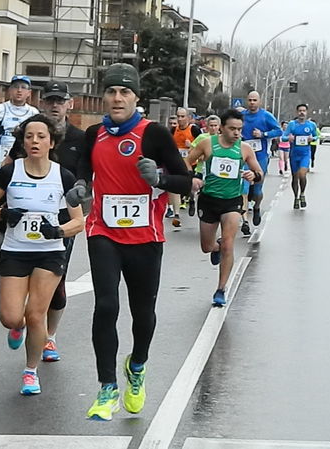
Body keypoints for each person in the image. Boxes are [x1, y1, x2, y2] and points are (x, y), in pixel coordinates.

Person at [65, 63, 192, 421]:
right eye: (111, 92)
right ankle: (107, 388)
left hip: (145, 236)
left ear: (136, 97)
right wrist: (81, 186)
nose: (117, 98)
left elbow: (186, 180)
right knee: (105, 306)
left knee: (142, 313)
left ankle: (137, 366)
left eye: (125, 92)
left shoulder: (154, 134)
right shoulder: (93, 134)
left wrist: (161, 179)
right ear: (103, 96)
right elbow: (84, 171)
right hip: (103, 231)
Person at [0, 114, 84, 395]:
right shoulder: (11, 172)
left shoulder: (63, 176)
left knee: (36, 315)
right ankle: (17, 327)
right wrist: (4, 213)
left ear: (51, 142)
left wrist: (58, 232)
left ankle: (30, 371)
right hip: (15, 251)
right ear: (23, 142)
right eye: (29, 137)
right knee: (12, 317)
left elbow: (79, 221)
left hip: (49, 253)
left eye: (40, 137)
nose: (34, 141)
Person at [7, 80, 86, 362]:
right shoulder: (28, 133)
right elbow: (9, 166)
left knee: (57, 283)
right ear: (43, 103)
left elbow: (88, 173)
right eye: (50, 100)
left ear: (70, 104)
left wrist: (82, 188)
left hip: (62, 221)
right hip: (23, 218)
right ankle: (18, 321)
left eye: (60, 100)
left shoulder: (80, 138)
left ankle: (49, 336)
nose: (55, 105)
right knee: (19, 283)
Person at [186, 109, 263, 306]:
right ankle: (215, 247)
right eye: (232, 129)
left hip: (232, 201)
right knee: (206, 247)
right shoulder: (207, 144)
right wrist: (193, 178)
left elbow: (258, 171)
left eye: (239, 129)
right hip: (209, 200)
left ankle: (221, 289)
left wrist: (254, 176)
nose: (237, 133)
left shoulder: (244, 149)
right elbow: (187, 162)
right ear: (221, 128)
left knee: (229, 243)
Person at [0, 75, 39, 176]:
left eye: (23, 87)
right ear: (10, 90)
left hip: (25, 168)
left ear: (29, 93)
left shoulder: (34, 113)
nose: (19, 90)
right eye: (16, 87)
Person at [241, 91, 281, 230]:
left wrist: (263, 134)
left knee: (257, 190)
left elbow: (279, 131)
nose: (252, 102)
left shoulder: (266, 116)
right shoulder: (242, 116)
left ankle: (257, 206)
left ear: (259, 102)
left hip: (260, 156)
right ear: (247, 101)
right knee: (244, 188)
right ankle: (245, 221)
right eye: (250, 100)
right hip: (245, 156)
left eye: (255, 100)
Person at [281, 104, 318, 209]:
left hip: (305, 154)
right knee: (295, 177)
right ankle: (296, 198)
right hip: (294, 154)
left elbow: (316, 136)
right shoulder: (292, 124)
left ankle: (302, 194)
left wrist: (313, 139)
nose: (302, 113)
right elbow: (283, 136)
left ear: (307, 112)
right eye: (300, 111)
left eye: (304, 111)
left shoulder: (311, 125)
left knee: (302, 174)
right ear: (297, 112)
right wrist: (288, 138)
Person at [170, 107, 201, 227]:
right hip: (178, 163)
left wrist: (191, 146)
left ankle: (192, 199)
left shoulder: (194, 129)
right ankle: (176, 214)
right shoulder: (173, 130)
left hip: (191, 163)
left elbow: (202, 144)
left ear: (189, 118)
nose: (180, 119)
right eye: (178, 116)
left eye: (182, 116)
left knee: (190, 187)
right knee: (176, 188)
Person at [188, 115, 220, 216]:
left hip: (214, 172)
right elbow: (191, 151)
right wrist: (200, 156)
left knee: (207, 194)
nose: (213, 128)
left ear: (219, 126)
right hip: (201, 169)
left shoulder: (221, 139)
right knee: (193, 189)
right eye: (211, 125)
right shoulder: (202, 137)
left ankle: (205, 211)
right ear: (207, 126)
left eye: (215, 125)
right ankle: (192, 201)